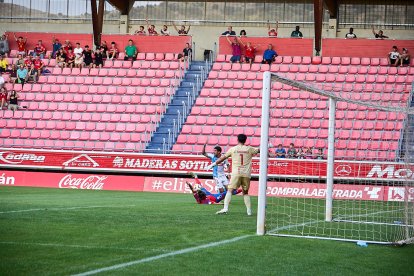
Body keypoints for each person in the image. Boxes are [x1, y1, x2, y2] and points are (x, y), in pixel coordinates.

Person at [206, 134, 260, 215]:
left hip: (236, 174)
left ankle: (225, 208)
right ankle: (249, 211)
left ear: (237, 140)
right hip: (246, 174)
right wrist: (268, 146)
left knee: (230, 190)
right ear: (245, 140)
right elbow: (260, 150)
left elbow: (222, 158)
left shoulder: (233, 149)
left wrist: (212, 165)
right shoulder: (250, 149)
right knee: (245, 193)